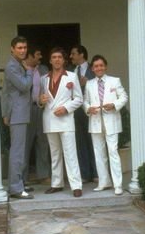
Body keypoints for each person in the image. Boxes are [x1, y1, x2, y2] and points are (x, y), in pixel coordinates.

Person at [40, 47, 83, 197]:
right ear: (50, 60)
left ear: (64, 60)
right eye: (54, 57)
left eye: (59, 57)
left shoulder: (71, 76)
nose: (57, 59)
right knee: (55, 153)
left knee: (70, 154)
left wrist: (66, 108)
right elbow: (41, 100)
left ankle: (76, 185)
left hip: (65, 120)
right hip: (50, 120)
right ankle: (57, 184)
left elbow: (79, 99)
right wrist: (40, 100)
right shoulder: (43, 78)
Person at [83, 54, 128, 195]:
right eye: (96, 66)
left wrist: (114, 105)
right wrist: (87, 108)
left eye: (101, 65)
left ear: (105, 66)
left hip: (112, 122)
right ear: (92, 68)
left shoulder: (115, 81)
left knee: (113, 152)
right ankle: (104, 182)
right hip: (96, 121)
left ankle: (118, 184)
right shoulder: (89, 84)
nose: (99, 68)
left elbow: (124, 97)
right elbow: (85, 101)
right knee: (99, 153)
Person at [1, 36, 34, 199]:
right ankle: (15, 188)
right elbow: (24, 85)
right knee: (17, 152)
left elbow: (6, 92)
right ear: (12, 49)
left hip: (20, 113)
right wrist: (29, 71)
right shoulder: (12, 66)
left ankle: (18, 183)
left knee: (19, 150)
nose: (23, 50)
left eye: (25, 47)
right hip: (18, 114)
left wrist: (6, 114)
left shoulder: (17, 64)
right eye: (19, 48)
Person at [23, 45, 51, 185]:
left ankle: (43, 175)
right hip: (25, 112)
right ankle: (23, 177)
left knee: (43, 142)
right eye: (38, 54)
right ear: (29, 56)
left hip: (41, 110)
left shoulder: (44, 70)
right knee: (25, 144)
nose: (40, 57)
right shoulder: (19, 70)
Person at [69, 45, 97, 183]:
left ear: (81, 55)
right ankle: (85, 174)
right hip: (75, 112)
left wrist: (88, 82)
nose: (71, 56)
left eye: (73, 53)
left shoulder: (94, 68)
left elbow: (102, 84)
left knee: (94, 142)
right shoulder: (70, 71)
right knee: (80, 143)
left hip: (91, 111)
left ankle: (97, 173)